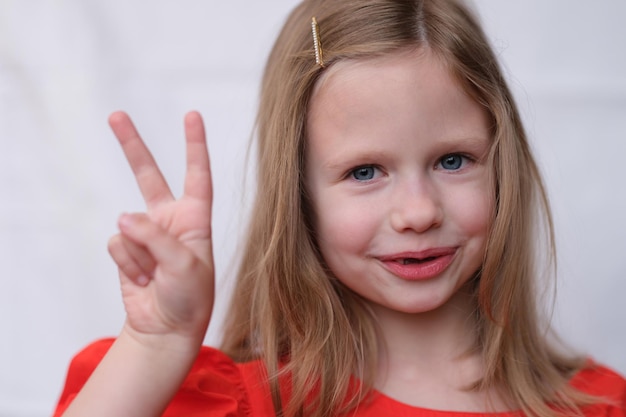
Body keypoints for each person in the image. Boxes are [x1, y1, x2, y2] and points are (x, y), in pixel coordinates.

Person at [53, 0, 626, 416]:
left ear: (504, 169)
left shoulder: (597, 405)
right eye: (364, 172)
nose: (418, 212)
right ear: (297, 196)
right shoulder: (237, 402)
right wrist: (157, 345)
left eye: (453, 161)